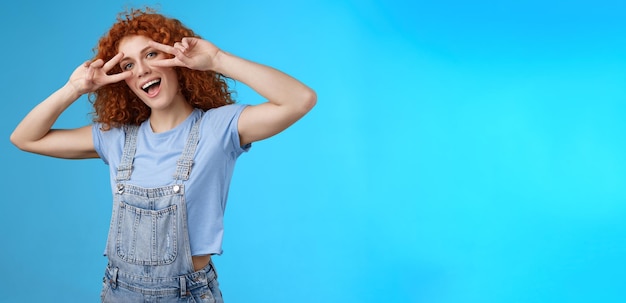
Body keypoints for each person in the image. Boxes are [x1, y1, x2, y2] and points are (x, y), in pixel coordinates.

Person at [10, 7, 316, 303]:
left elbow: (299, 100)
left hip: (188, 294)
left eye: (151, 54)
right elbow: (24, 138)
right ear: (124, 79)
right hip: (120, 293)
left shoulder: (219, 128)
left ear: (176, 58)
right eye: (128, 65)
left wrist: (218, 59)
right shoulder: (115, 139)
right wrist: (74, 88)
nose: (141, 70)